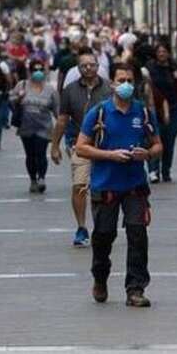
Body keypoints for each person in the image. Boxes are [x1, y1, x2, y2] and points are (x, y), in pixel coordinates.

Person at [75, 63, 163, 307]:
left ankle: (135, 288)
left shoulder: (142, 112)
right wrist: (110, 155)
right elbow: (81, 147)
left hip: (134, 185)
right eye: (121, 79)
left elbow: (158, 145)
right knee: (104, 235)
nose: (126, 84)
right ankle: (100, 277)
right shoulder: (99, 113)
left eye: (129, 80)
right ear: (112, 83)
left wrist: (146, 154)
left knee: (137, 234)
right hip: (106, 185)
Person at [51, 50, 110, 247]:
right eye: (84, 65)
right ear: (78, 68)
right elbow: (62, 120)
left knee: (101, 189)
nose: (88, 68)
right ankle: (81, 226)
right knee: (79, 185)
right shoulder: (69, 90)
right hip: (80, 145)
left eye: (92, 65)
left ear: (97, 66)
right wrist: (55, 146)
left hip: (105, 146)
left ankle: (101, 225)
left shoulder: (109, 90)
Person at [10, 59, 59, 193]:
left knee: (41, 153)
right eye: (34, 70)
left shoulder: (50, 89)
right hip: (26, 127)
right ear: (29, 72)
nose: (38, 72)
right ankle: (33, 179)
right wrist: (19, 98)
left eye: (40, 70)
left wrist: (61, 126)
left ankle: (41, 178)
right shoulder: (22, 85)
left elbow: (57, 110)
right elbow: (10, 100)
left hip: (43, 127)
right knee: (30, 155)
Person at [147, 44, 177, 183]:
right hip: (155, 108)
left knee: (169, 141)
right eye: (159, 51)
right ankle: (154, 170)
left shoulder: (176, 67)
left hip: (176, 109)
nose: (162, 53)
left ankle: (166, 170)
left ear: (169, 53)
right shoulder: (150, 68)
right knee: (155, 139)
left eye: (164, 51)